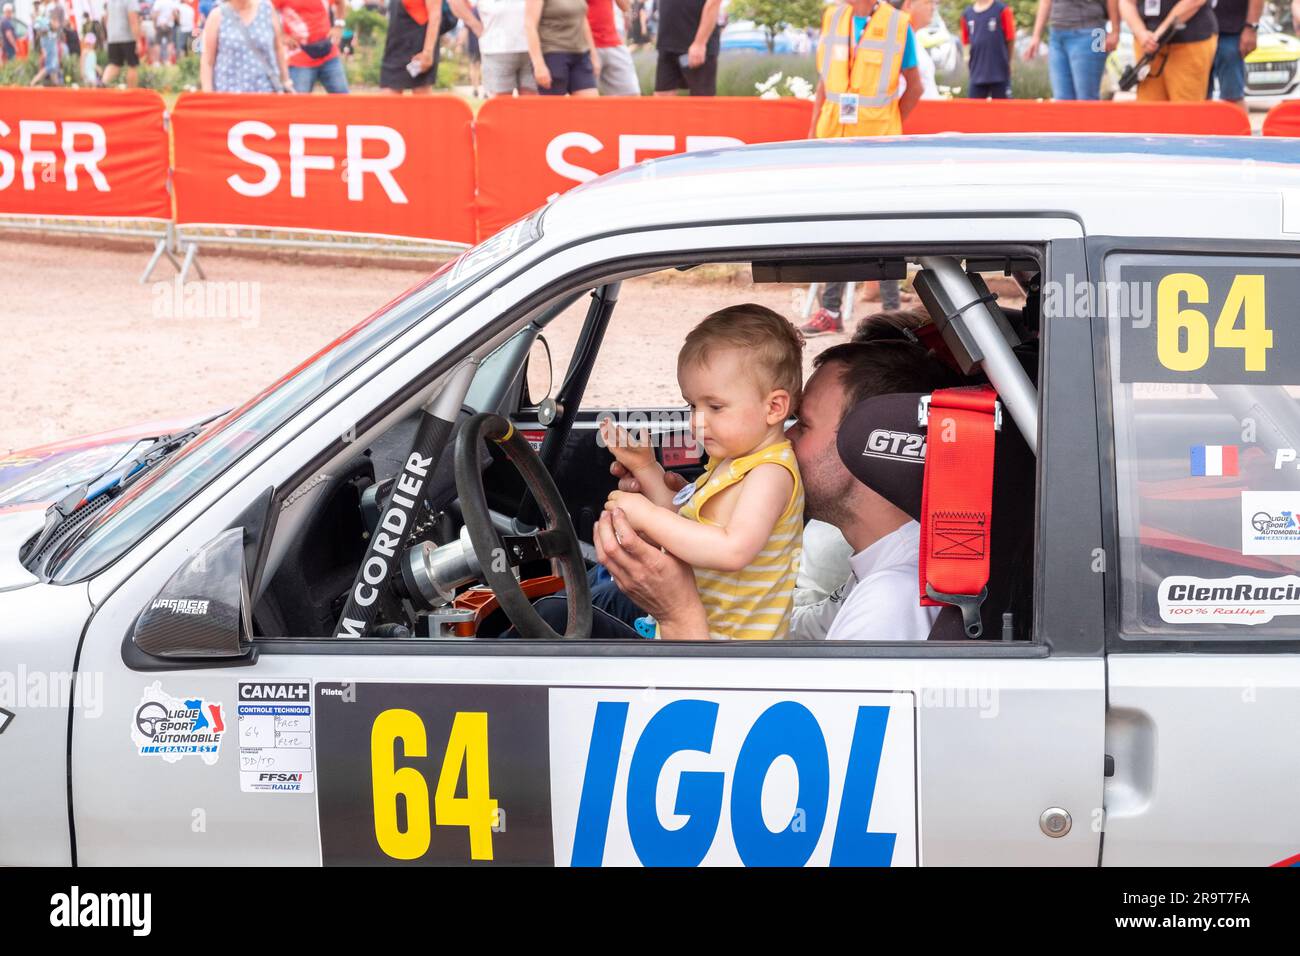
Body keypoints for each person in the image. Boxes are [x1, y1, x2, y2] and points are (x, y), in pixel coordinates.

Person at [596, 339, 958, 641]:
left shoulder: (890, 600)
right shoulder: (884, 565)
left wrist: (678, 614)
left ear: (872, 448)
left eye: (803, 424)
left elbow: (774, 725)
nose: (784, 437)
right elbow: (788, 635)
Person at [599, 305, 805, 640]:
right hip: (700, 638)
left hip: (731, 651)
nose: (697, 421)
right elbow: (686, 523)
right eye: (692, 406)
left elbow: (732, 549)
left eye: (716, 407)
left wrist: (647, 516)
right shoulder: (732, 461)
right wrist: (645, 467)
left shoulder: (770, 473)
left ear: (774, 407)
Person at [801, 0, 923, 337]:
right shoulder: (833, 17)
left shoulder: (899, 24)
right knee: (833, 224)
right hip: (833, 141)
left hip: (876, 145)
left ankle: (891, 314)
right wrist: (812, 134)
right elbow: (825, 84)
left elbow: (915, 87)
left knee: (880, 226)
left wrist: (888, 123)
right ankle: (829, 310)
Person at [1118, 0, 1216, 101]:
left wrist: (1160, 33)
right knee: (1149, 108)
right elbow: (1126, 2)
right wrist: (1140, 32)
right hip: (1147, 46)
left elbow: (1194, 1)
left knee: (1185, 108)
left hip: (1189, 42)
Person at [1026, 0, 1118, 100]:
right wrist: (1036, 35)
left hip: (1092, 32)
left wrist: (1115, 31)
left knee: (1087, 100)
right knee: (1062, 101)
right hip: (1057, 34)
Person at [199, 0, 292, 91]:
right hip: (228, 95)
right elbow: (208, 60)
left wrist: (286, 81)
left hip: (266, 93)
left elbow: (278, 48)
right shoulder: (217, 15)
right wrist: (208, 93)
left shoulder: (267, 9)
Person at [525, 0, 600, 96]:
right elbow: (530, 25)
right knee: (554, 109)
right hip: (553, 55)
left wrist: (593, 55)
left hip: (581, 54)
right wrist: (538, 65)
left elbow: (582, 20)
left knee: (590, 108)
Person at [274, 0, 348, 91]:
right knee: (298, 103)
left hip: (329, 54)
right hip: (299, 57)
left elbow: (340, 2)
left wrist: (339, 26)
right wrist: (281, 36)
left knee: (344, 102)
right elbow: (266, 11)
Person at [468, 0, 537, 96]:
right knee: (501, 106)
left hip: (532, 49)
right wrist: (474, 24)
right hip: (497, 50)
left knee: (531, 106)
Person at [653, 0, 719, 95]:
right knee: (662, 102)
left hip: (696, 43)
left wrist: (700, 42)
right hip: (667, 41)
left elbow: (714, 2)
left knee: (702, 103)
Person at [1206, 0, 1261, 109]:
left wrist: (1251, 27)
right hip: (1194, 33)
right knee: (1196, 100)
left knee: (1233, 97)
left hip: (1231, 32)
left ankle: (1239, 126)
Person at [380, 0, 442, 93]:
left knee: (421, 101)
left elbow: (435, 14)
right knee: (388, 101)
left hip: (419, 46)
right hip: (395, 45)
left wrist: (427, 52)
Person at [961, 0, 1015, 98]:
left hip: (999, 72)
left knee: (1003, 110)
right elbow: (966, 42)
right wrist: (967, 60)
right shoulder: (967, 14)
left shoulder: (1002, 9)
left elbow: (1010, 38)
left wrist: (1009, 62)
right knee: (974, 110)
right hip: (976, 73)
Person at [589, 0, 639, 93]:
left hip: (613, 40)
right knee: (585, 103)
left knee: (631, 96)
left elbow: (626, 6)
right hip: (584, 45)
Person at [898, 0, 940, 99]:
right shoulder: (898, 40)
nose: (933, 8)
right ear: (909, 5)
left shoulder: (912, 39)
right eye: (928, 2)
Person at [103, 0, 142, 84]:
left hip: (112, 37)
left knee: (113, 65)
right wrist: (138, 41)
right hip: (128, 37)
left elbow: (106, 18)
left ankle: (101, 87)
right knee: (132, 65)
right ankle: (131, 93)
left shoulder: (111, 1)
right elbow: (133, 20)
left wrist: (109, 34)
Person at [31, 3, 66, 86]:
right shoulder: (45, 27)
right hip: (49, 53)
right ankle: (32, 83)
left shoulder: (51, 29)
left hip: (53, 53)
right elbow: (37, 28)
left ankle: (57, 85)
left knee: (53, 70)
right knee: (48, 68)